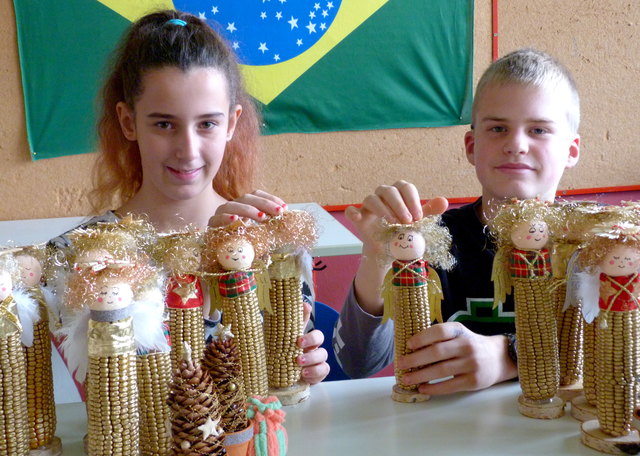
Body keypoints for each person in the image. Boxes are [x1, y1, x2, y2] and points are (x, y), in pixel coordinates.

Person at [53, 10, 328, 385]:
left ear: (231, 123)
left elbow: (286, 383)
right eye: (164, 124)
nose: (188, 150)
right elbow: (112, 400)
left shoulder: (272, 242)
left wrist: (301, 369)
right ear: (128, 122)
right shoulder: (73, 258)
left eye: (207, 124)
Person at [334, 48, 581, 395]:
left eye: (539, 130)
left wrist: (510, 356)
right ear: (471, 145)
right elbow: (359, 363)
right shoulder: (431, 242)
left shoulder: (595, 245)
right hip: (441, 435)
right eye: (497, 128)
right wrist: (377, 257)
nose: (516, 145)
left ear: (571, 150)